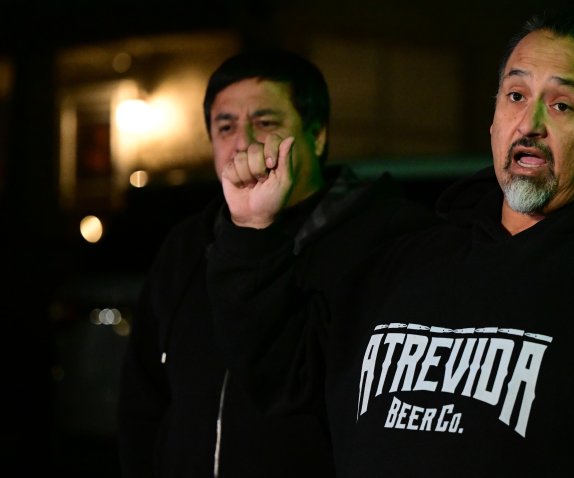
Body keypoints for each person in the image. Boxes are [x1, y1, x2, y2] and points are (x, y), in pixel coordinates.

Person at [207, 4, 574, 476]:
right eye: (515, 96)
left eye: (562, 105)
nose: (530, 124)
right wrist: (253, 233)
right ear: (494, 119)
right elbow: (282, 379)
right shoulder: (403, 261)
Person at [116, 49, 435, 477]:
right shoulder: (189, 244)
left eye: (265, 123)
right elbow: (143, 396)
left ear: (316, 135)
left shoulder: (383, 239)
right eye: (225, 126)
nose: (243, 142)